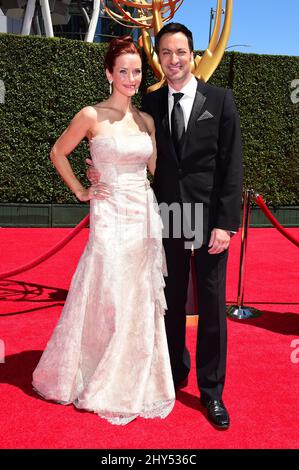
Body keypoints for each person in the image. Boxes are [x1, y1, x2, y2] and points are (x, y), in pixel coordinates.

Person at [32, 36, 175, 425]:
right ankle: (95, 369)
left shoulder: (146, 120)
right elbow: (58, 152)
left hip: (143, 215)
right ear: (109, 73)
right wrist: (82, 189)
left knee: (138, 294)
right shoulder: (91, 116)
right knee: (108, 288)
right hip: (109, 214)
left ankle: (133, 372)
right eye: (123, 71)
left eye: (137, 71)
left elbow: (157, 172)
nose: (131, 78)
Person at [141, 23, 243, 429]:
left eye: (180, 52)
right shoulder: (149, 103)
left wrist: (225, 224)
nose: (173, 59)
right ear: (160, 58)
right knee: (171, 303)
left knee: (213, 306)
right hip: (167, 218)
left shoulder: (220, 100)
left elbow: (231, 165)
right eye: (166, 52)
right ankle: (175, 372)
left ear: (193, 55)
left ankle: (212, 391)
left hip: (207, 220)